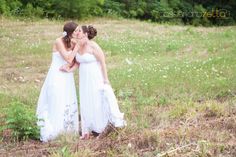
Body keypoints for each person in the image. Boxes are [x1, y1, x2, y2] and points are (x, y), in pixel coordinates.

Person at [36, 22, 79, 142]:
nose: (77, 33)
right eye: (75, 31)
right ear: (70, 32)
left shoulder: (74, 43)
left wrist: (71, 69)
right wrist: (77, 47)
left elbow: (76, 60)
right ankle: (55, 130)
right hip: (56, 74)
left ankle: (67, 130)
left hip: (67, 76)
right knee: (56, 99)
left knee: (67, 98)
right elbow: (68, 58)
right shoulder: (58, 41)